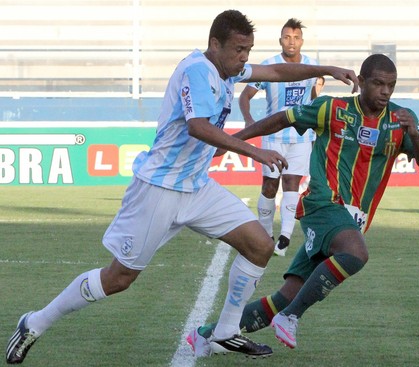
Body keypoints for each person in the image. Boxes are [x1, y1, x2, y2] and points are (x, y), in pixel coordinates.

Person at [5, 9, 358, 365]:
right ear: (214, 44)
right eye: (238, 49)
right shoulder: (197, 70)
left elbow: (278, 71)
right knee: (119, 277)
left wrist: (325, 69)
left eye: (248, 50)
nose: (244, 58)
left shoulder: (229, 69)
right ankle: (34, 322)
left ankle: (224, 332)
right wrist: (254, 150)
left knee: (259, 245)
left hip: (196, 187)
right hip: (158, 188)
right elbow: (198, 127)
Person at [187, 54, 419, 353]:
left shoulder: (401, 119)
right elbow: (282, 118)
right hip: (323, 204)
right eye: (378, 84)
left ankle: (206, 334)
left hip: (351, 221)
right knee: (356, 254)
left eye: (391, 86)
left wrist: (414, 135)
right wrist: (235, 140)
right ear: (362, 81)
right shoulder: (332, 108)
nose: (385, 91)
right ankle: (290, 318)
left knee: (285, 296)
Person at [239, 18, 323, 257]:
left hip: (300, 137)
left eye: (296, 38)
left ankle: (284, 237)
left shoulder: (311, 67)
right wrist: (248, 119)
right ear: (280, 40)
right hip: (273, 137)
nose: (291, 42)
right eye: (287, 37)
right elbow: (245, 96)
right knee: (269, 185)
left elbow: (315, 99)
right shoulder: (268, 66)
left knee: (292, 184)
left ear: (302, 41)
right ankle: (267, 233)